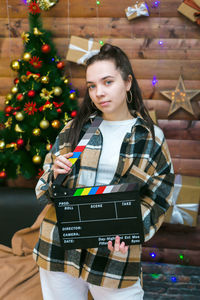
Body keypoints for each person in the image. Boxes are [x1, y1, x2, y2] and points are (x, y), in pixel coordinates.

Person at [33, 43, 174, 300]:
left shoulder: (151, 138)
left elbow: (159, 198)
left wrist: (132, 230)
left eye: (108, 82)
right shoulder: (74, 129)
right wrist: (53, 176)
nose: (99, 92)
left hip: (114, 258)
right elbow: (43, 189)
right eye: (92, 85)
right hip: (59, 249)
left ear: (128, 82)